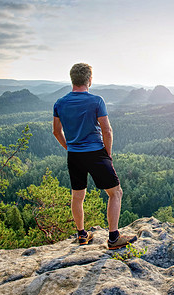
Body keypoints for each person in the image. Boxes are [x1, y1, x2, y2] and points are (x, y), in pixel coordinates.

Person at [53, 63, 137, 249]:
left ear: (72, 79)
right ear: (89, 80)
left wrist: (70, 147)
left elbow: (56, 132)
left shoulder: (60, 103)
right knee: (115, 193)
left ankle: (82, 234)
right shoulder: (96, 101)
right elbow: (107, 130)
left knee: (77, 195)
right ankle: (114, 238)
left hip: (74, 155)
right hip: (96, 153)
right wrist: (108, 154)